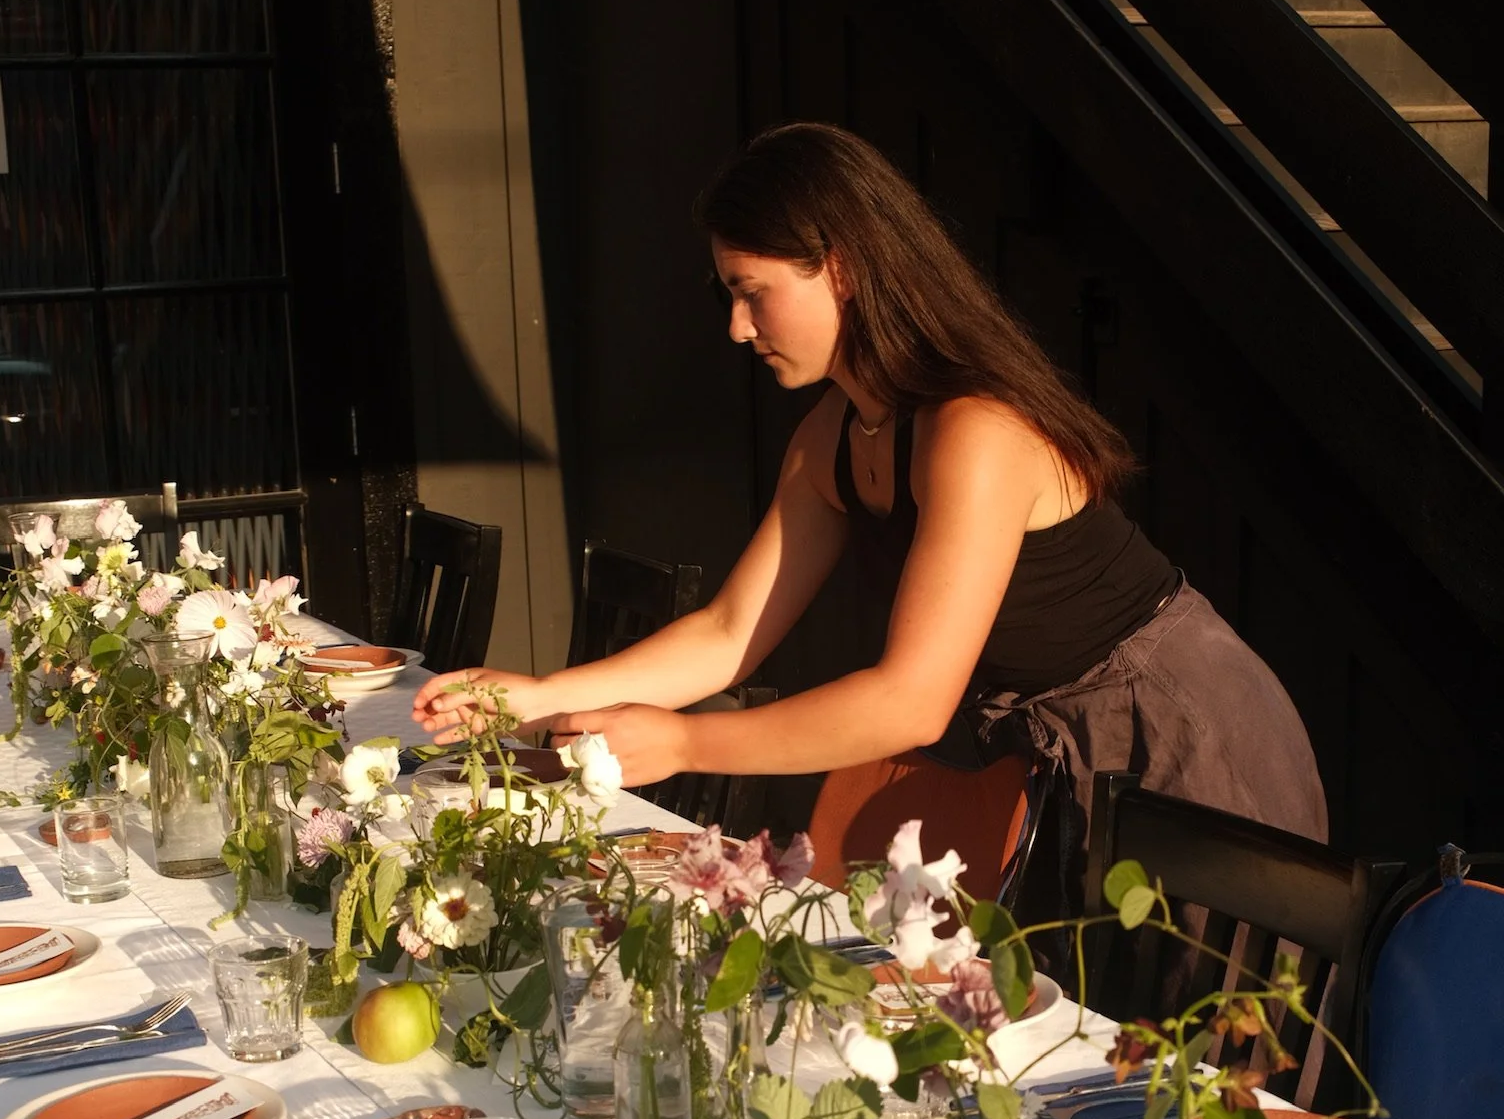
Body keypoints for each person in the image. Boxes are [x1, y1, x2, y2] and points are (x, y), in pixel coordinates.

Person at [413, 122, 1326, 897]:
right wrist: (536, 697)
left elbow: (911, 703)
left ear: (841, 270)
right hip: (1061, 753)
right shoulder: (834, 437)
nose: (737, 327)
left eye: (752, 291)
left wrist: (684, 741)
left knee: (1213, 1071)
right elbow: (731, 632)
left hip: (1185, 740)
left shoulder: (977, 429)